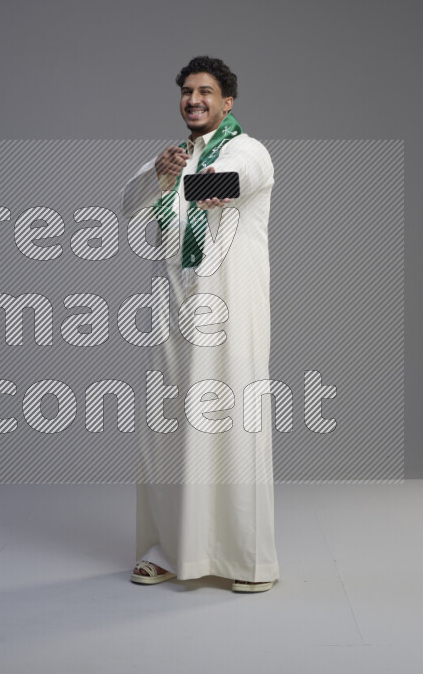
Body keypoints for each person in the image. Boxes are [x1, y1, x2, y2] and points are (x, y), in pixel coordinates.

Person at [120, 56, 279, 593]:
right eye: (188, 91)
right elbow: (129, 205)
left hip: (231, 309)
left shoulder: (248, 149)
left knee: (232, 427)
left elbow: (234, 181)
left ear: (227, 101)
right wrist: (162, 175)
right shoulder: (172, 157)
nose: (194, 100)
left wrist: (191, 180)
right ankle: (168, 550)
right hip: (172, 308)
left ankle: (246, 560)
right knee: (166, 429)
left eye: (206, 92)